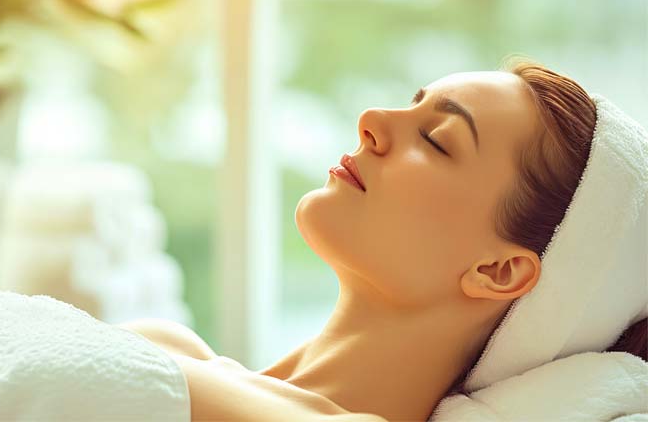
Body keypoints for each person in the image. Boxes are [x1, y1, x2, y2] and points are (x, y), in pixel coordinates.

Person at [120, 59, 647, 422]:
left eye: (437, 141)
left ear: (498, 271)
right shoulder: (166, 347)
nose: (372, 121)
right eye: (412, 104)